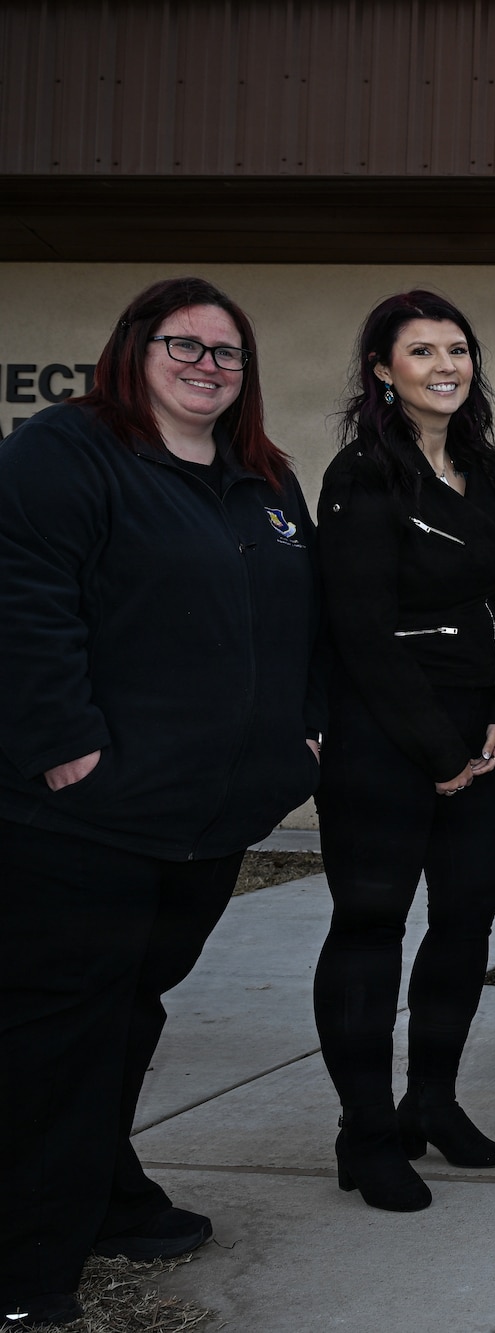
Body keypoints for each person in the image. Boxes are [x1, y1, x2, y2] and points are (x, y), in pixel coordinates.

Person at [0, 278, 320, 1327]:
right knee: (55, 1032)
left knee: (128, 1014)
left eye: (226, 352)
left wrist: (302, 741)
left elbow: (303, 624)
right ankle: (24, 1259)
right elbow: (25, 597)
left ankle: (101, 1193)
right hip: (84, 816)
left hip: (210, 818)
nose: (205, 364)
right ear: (135, 350)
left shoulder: (262, 480)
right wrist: (63, 747)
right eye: (183, 344)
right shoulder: (68, 450)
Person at [313, 291, 495, 1212]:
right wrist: (440, 750)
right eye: (422, 351)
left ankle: (430, 1101)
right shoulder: (362, 474)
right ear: (383, 373)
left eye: (458, 348)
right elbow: (358, 631)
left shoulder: (486, 469)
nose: (446, 364)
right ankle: (365, 1131)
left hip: (480, 732)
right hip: (385, 736)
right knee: (371, 923)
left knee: (467, 921)